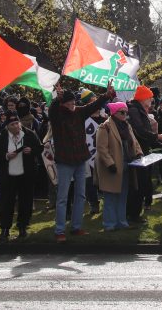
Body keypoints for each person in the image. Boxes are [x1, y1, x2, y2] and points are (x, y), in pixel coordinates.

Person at [48, 82, 115, 242]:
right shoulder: (57, 116)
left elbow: (93, 106)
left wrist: (106, 95)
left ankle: (76, 227)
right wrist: (57, 98)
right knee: (63, 197)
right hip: (65, 161)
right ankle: (59, 230)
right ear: (63, 104)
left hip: (80, 159)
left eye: (74, 102)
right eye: (69, 103)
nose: (72, 105)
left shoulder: (78, 112)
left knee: (80, 195)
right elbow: (52, 111)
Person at [0, 111, 42, 242]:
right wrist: (6, 156)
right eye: (12, 124)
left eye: (17, 123)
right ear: (7, 126)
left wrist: (31, 151)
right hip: (8, 176)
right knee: (6, 202)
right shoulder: (2, 137)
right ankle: (5, 228)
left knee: (25, 201)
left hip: (26, 174)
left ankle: (22, 226)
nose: (16, 126)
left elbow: (39, 148)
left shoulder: (29, 134)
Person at [95, 102, 142, 232]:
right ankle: (109, 224)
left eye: (126, 112)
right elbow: (101, 148)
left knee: (123, 196)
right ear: (114, 113)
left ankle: (122, 222)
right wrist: (110, 164)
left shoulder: (127, 126)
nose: (125, 115)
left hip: (127, 165)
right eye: (122, 112)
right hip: (113, 167)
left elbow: (135, 142)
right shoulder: (104, 127)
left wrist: (139, 153)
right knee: (110, 196)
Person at [126, 85, 162, 224]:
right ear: (143, 99)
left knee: (142, 185)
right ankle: (133, 215)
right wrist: (157, 137)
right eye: (149, 97)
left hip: (143, 150)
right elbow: (139, 130)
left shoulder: (138, 110)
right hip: (138, 152)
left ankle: (135, 214)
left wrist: (158, 143)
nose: (151, 100)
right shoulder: (134, 110)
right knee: (138, 186)